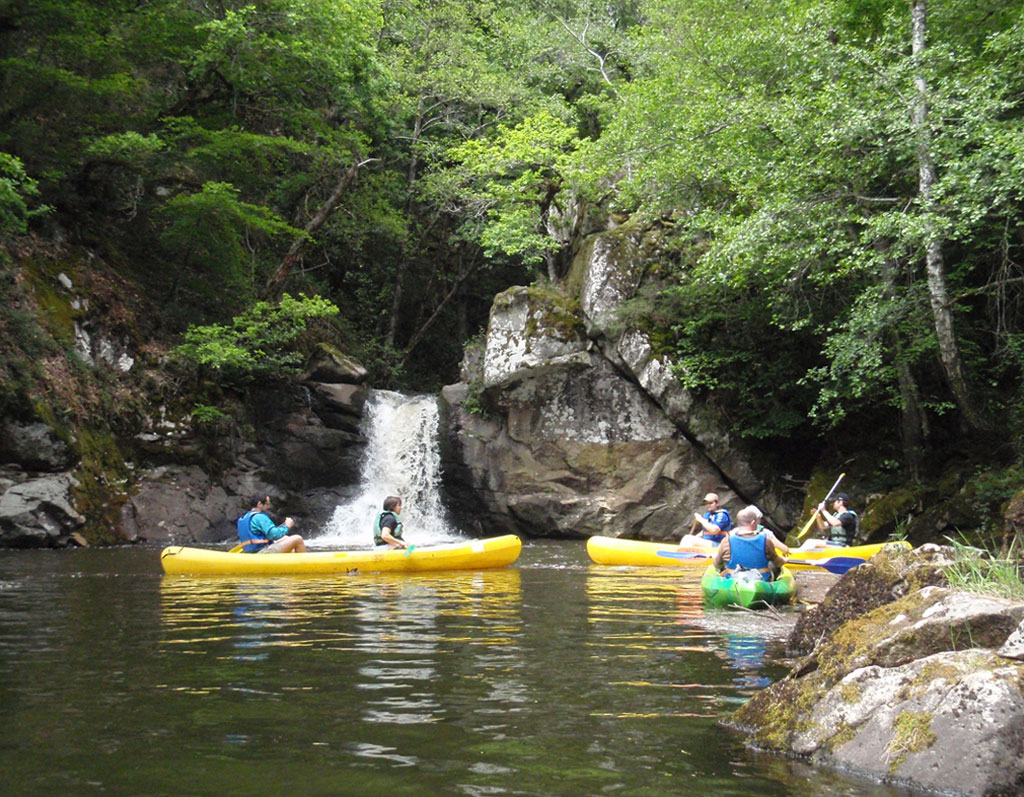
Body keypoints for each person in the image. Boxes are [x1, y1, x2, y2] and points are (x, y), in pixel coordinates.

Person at [713, 505, 787, 581]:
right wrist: (784, 560)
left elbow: (717, 564)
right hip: (761, 580)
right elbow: (778, 562)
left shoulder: (726, 541)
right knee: (774, 567)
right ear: (753, 523)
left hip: (733, 580)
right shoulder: (766, 541)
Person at [236, 494, 306, 553]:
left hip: (250, 552)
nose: (269, 507)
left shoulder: (243, 518)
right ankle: (303, 564)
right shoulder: (260, 517)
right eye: (267, 504)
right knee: (298, 539)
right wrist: (287, 526)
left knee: (285, 538)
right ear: (259, 504)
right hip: (261, 552)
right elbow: (273, 534)